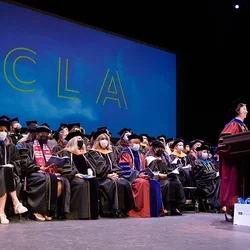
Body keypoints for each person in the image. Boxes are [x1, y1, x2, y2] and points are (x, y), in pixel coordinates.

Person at [217, 102, 248, 222]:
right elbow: (223, 142)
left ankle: (239, 209)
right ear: (238, 110)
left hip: (242, 161)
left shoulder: (243, 126)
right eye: (244, 109)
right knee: (232, 185)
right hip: (232, 161)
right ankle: (229, 209)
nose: (246, 111)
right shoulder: (233, 125)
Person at [0, 117, 28, 224]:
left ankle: (2, 213)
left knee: (6, 173)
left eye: (5, 131)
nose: (3, 133)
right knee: (5, 172)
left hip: (9, 175)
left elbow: (17, 161)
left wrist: (11, 165)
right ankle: (16, 203)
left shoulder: (10, 145)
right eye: (1, 130)